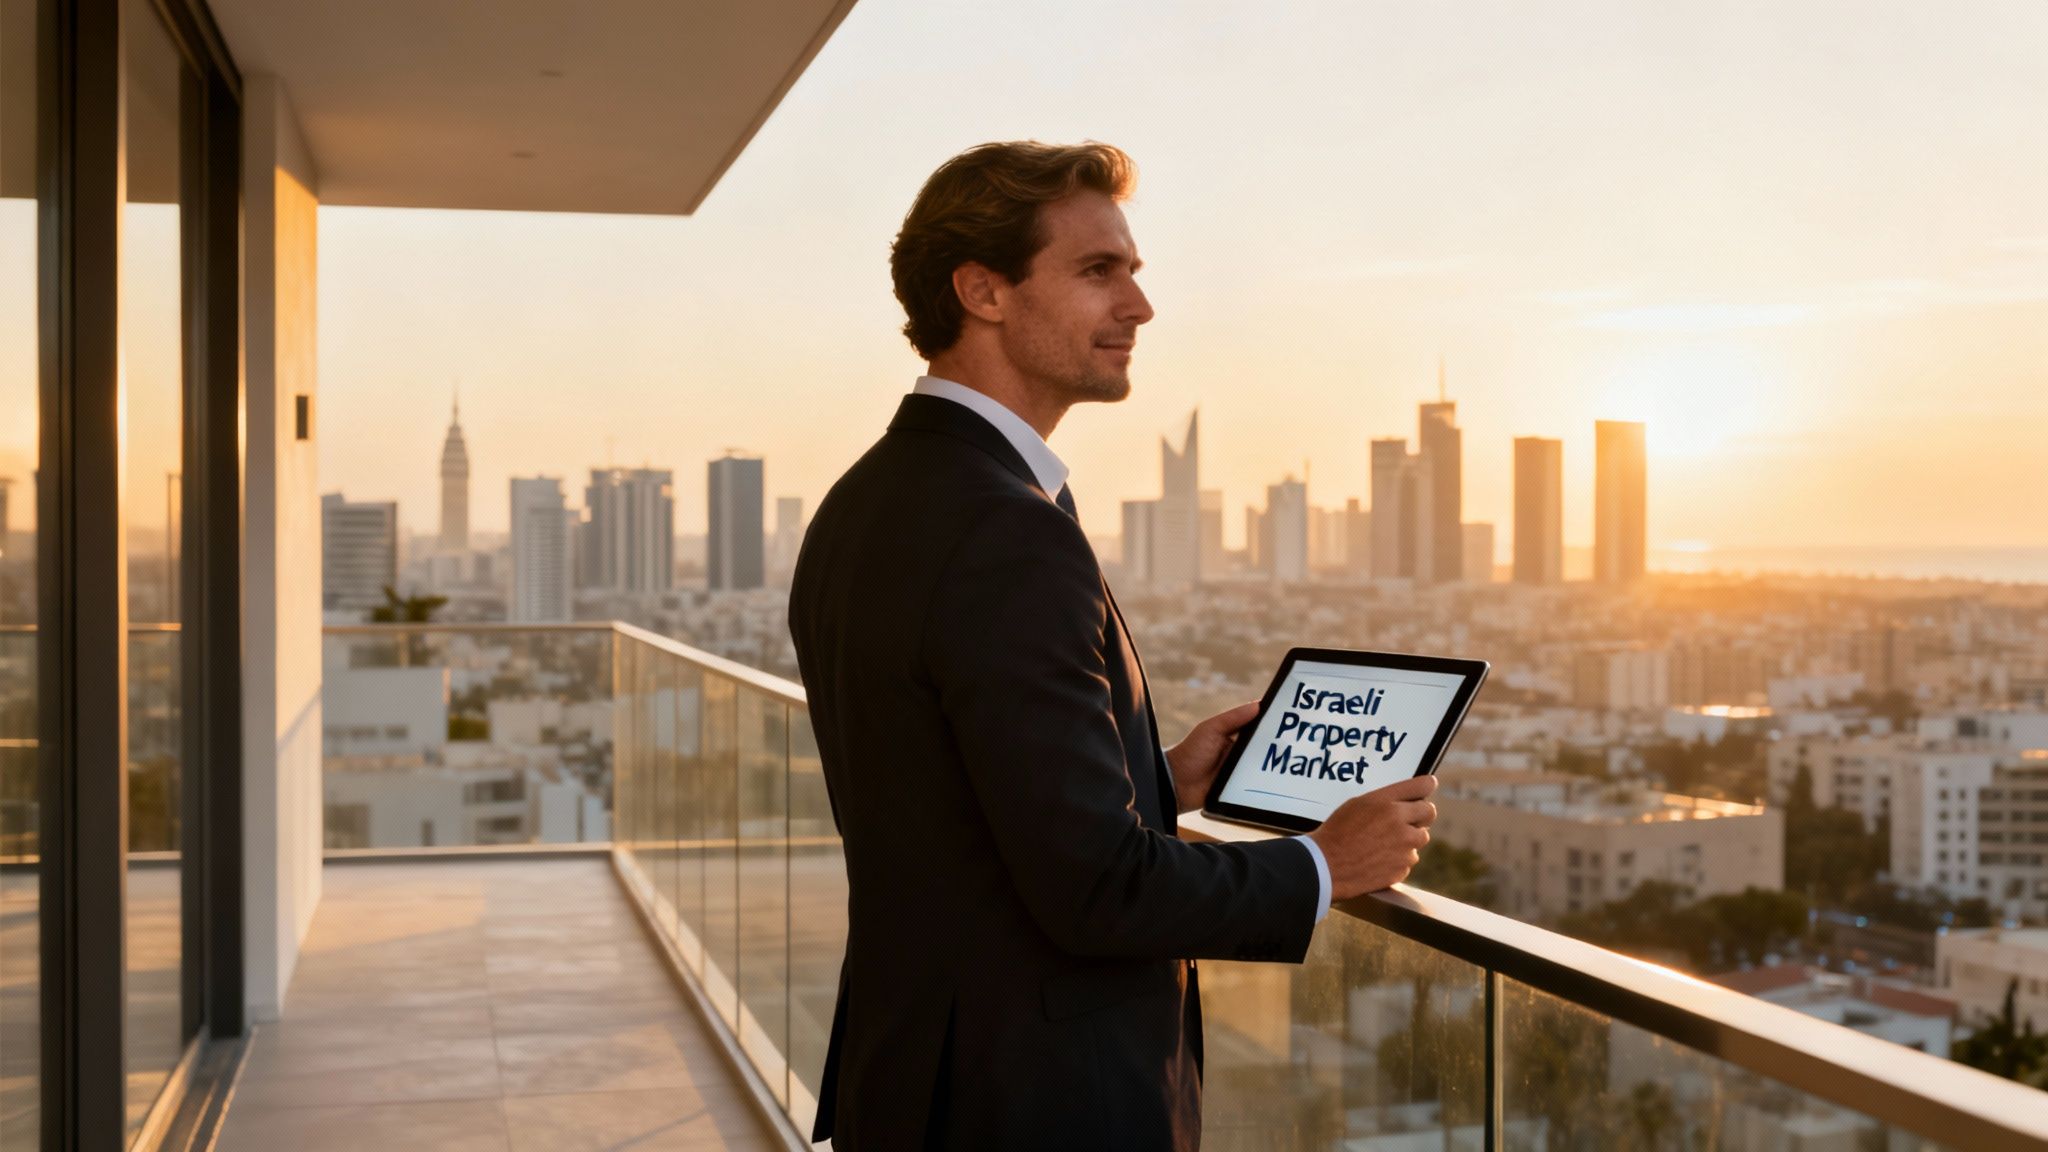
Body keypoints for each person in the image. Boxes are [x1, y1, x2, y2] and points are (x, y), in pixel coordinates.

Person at [787, 140, 1440, 1151]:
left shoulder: (867, 499)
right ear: (982, 290)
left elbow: (939, 796)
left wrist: (1149, 778)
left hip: (919, 1073)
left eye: (1132, 273)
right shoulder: (1003, 527)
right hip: (1038, 1098)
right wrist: (1321, 861)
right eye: (1098, 272)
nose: (1138, 307)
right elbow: (1099, 893)